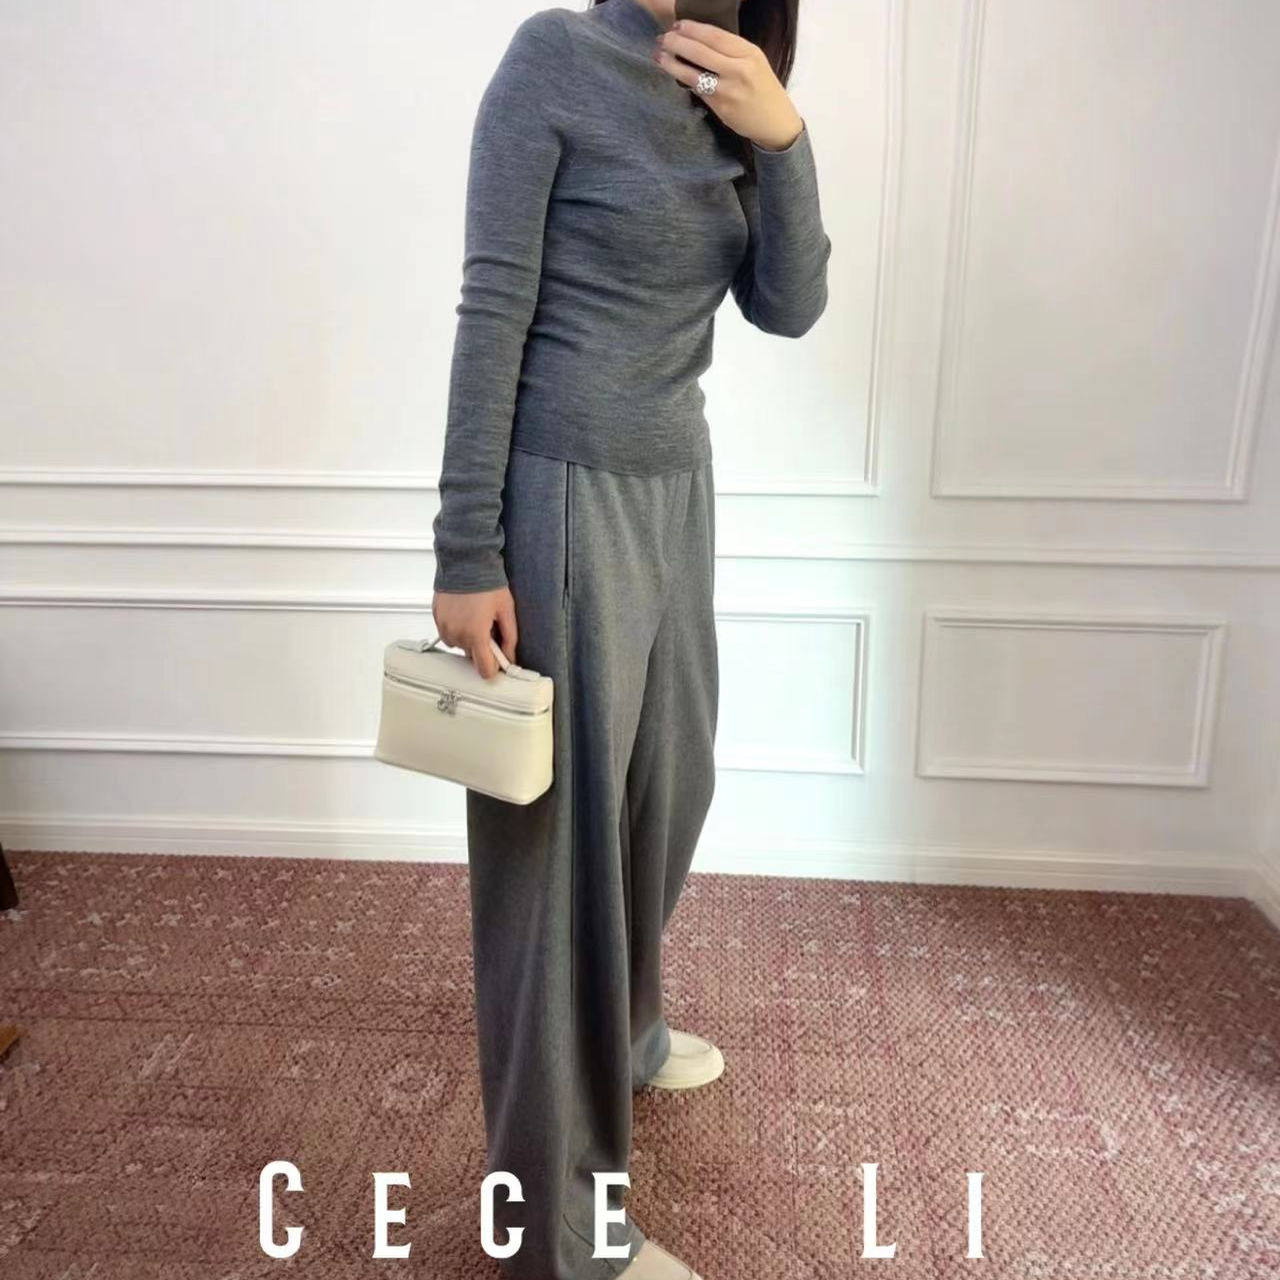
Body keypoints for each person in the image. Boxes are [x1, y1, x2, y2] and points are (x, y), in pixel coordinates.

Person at [430, 1, 831, 1275]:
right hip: (559, 490)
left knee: (667, 791)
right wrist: (465, 548)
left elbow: (789, 305)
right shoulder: (556, 57)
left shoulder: (733, 88)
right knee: (559, 860)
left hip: (674, 487)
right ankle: (557, 1233)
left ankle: (629, 1028)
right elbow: (492, 307)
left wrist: (783, 137)